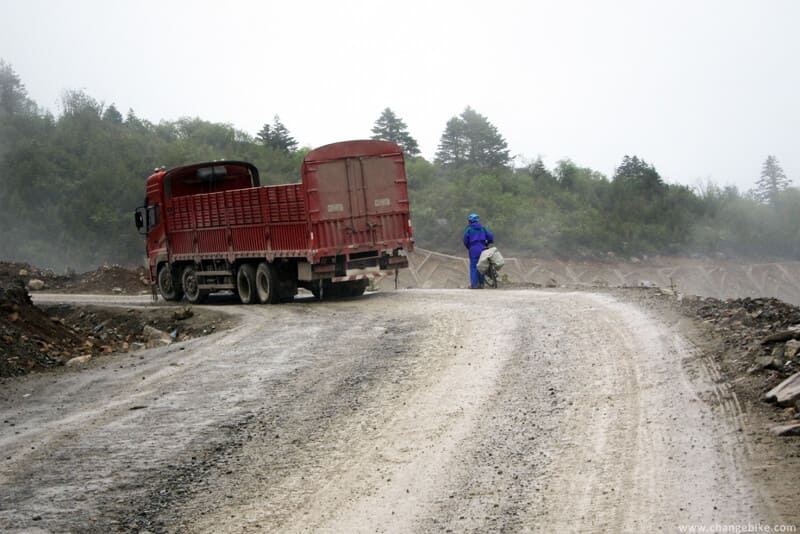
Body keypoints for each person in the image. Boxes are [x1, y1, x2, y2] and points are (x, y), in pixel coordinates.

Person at [462, 213, 494, 289]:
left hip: (473, 249)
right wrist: (488, 243)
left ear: (470, 221)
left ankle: (474, 285)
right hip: (483, 249)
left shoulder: (469, 229)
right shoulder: (483, 228)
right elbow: (490, 236)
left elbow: (465, 240)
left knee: (474, 267)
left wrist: (469, 247)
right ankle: (481, 284)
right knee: (481, 266)